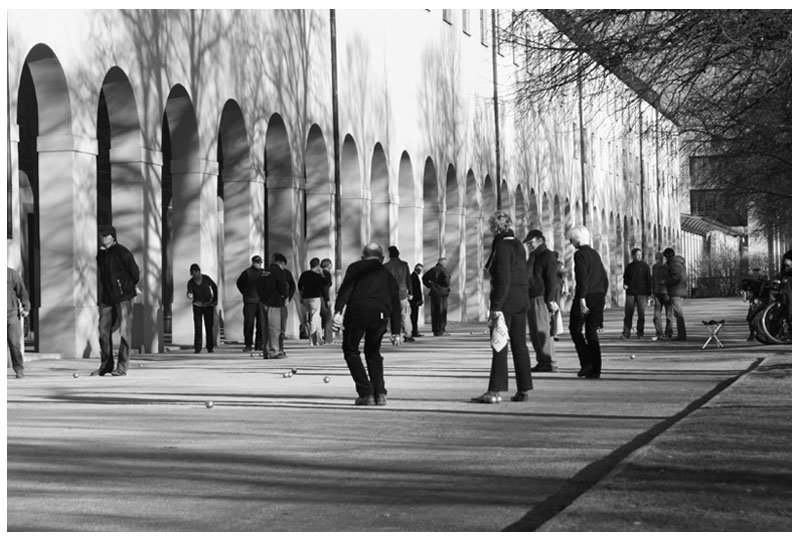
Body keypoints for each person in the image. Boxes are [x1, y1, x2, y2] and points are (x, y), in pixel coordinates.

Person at [472, 211, 533, 403]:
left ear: (494, 228)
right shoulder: (518, 245)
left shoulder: (502, 246)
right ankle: (523, 388)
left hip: (506, 301)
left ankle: (494, 390)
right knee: (519, 344)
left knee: (499, 344)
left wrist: (496, 306)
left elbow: (503, 278)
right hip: (521, 299)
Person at [333, 242, 401, 406]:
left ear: (363, 257)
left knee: (350, 349)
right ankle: (380, 393)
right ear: (382, 258)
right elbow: (396, 304)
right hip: (381, 314)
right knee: (373, 352)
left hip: (358, 311)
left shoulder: (356, 268)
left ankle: (366, 392)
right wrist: (396, 331)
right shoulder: (387, 275)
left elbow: (346, 288)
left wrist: (338, 310)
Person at [94, 224, 140, 376]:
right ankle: (106, 364)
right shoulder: (100, 255)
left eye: (106, 235)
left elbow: (135, 273)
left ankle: (122, 366)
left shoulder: (122, 252)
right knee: (103, 331)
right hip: (107, 297)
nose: (103, 237)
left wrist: (127, 287)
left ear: (113, 237)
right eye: (102, 235)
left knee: (125, 332)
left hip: (123, 296)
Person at [567, 225, 609, 379]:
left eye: (571, 239)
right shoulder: (595, 254)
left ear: (577, 239)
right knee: (591, 332)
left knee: (575, 328)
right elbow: (604, 278)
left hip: (586, 295)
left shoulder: (580, 255)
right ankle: (596, 369)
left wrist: (582, 299)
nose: (570, 242)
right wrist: (603, 296)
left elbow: (582, 278)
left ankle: (586, 362)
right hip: (598, 295)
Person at [523, 229, 560, 373]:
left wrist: (550, 299)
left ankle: (549, 360)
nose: (529, 245)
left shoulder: (547, 256)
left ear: (540, 240)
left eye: (531, 243)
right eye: (527, 244)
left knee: (542, 330)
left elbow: (552, 279)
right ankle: (542, 360)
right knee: (534, 332)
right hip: (531, 296)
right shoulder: (533, 256)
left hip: (541, 297)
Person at [257, 253, 290, 359]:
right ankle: (274, 351)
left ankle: (266, 351)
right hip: (275, 303)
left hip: (263, 302)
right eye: (284, 265)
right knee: (274, 328)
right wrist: (285, 296)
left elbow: (258, 286)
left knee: (265, 328)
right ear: (281, 263)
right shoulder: (278, 272)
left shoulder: (264, 272)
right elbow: (283, 286)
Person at [384, 246, 414, 342]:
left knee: (390, 314)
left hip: (390, 294)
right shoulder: (404, 265)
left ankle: (394, 332)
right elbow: (408, 279)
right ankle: (407, 334)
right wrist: (411, 292)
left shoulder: (386, 266)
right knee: (405, 314)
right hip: (402, 293)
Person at [621, 247, 652, 339]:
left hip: (641, 293)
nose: (639, 256)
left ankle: (640, 332)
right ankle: (626, 333)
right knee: (628, 314)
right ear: (633, 256)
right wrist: (625, 285)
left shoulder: (645, 266)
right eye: (637, 255)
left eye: (640, 255)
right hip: (630, 293)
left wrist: (649, 294)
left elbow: (648, 280)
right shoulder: (629, 267)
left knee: (641, 314)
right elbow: (625, 278)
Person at [186, 263, 218, 354]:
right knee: (198, 327)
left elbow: (214, 287)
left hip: (208, 305)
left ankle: (210, 347)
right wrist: (189, 295)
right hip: (197, 306)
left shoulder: (206, 278)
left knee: (209, 327)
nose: (194, 275)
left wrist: (215, 300)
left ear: (198, 271)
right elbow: (189, 291)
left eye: (195, 273)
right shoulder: (191, 282)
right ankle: (197, 347)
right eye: (192, 273)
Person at [236, 255, 264, 352]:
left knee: (261, 324)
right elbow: (239, 283)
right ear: (253, 262)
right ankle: (248, 344)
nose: (260, 264)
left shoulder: (263, 273)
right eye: (258, 262)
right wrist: (246, 293)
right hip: (249, 301)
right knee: (249, 324)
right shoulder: (247, 273)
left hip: (261, 301)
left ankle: (259, 344)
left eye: (260, 262)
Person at [7, 267, 30, 379]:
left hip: (11, 314)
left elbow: (22, 291)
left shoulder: (11, 274)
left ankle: (19, 370)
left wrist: (26, 307)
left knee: (14, 344)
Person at [297, 257, 326, 346]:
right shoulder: (318, 276)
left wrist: (301, 297)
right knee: (314, 317)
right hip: (315, 298)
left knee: (317, 318)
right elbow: (325, 285)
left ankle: (319, 337)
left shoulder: (304, 274)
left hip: (306, 298)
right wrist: (322, 274)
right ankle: (313, 339)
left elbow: (299, 286)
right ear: (317, 266)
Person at [663, 247, 688, 341]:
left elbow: (675, 277)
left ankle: (682, 334)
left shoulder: (674, 265)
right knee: (678, 313)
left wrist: (666, 281)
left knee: (678, 313)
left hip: (676, 291)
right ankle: (681, 333)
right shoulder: (679, 263)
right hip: (680, 290)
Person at [422, 257, 451, 336]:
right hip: (442, 293)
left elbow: (424, 278)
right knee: (442, 312)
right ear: (443, 263)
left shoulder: (433, 269)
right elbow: (447, 281)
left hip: (434, 292)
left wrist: (430, 285)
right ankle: (441, 329)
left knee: (434, 312)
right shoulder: (443, 270)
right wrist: (444, 286)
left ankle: (435, 329)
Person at [274, 253, 296, 357]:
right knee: (274, 327)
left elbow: (292, 286)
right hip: (273, 302)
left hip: (282, 303)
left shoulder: (286, 273)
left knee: (281, 328)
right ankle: (274, 348)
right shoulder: (270, 272)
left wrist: (288, 298)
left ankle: (280, 347)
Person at [651, 251, 673, 340]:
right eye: (656, 258)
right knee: (656, 315)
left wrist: (669, 292)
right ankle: (659, 333)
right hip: (657, 293)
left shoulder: (667, 267)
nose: (657, 260)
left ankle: (668, 333)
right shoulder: (654, 267)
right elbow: (652, 280)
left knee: (669, 315)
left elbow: (670, 280)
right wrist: (652, 293)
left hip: (666, 293)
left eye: (659, 258)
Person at [320, 258, 335, 343]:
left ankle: (321, 335)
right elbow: (325, 287)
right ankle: (328, 338)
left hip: (318, 296)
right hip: (324, 297)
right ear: (328, 265)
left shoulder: (319, 273)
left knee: (322, 317)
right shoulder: (327, 274)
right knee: (328, 317)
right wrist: (328, 299)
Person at [410, 263, 425, 337]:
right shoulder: (413, 277)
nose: (421, 271)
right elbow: (416, 290)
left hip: (415, 299)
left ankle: (415, 330)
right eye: (420, 270)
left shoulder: (415, 276)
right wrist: (419, 299)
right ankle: (414, 331)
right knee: (414, 316)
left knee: (415, 316)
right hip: (414, 300)